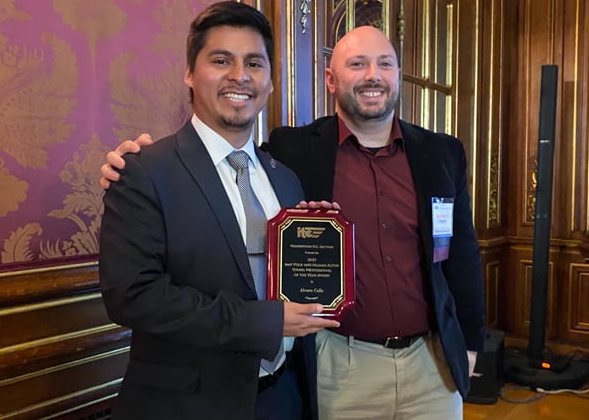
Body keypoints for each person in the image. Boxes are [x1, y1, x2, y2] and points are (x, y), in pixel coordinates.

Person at [102, 25, 485, 420]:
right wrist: (134, 160)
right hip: (337, 364)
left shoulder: (442, 153)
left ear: (397, 74)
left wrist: (471, 344)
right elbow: (208, 166)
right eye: (357, 64)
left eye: (384, 64)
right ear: (331, 81)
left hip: (431, 362)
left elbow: (463, 256)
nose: (373, 75)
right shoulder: (292, 151)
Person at [98, 1, 339, 420]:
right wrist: (265, 322)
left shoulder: (285, 179)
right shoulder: (142, 170)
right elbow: (132, 297)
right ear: (190, 73)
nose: (239, 76)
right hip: (185, 405)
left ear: (269, 80)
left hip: (284, 397)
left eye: (254, 63)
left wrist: (321, 240)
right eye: (221, 60)